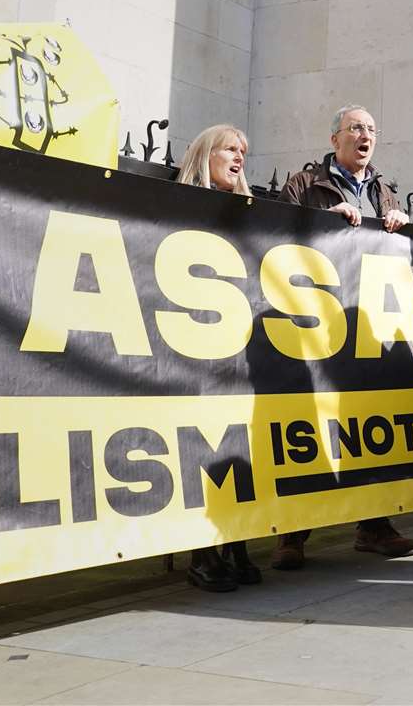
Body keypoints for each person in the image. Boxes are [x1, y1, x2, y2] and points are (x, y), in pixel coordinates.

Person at [272, 105, 413, 571]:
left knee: (370, 421)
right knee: (309, 423)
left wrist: (400, 224)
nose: (365, 135)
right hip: (314, 324)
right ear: (335, 138)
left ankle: (373, 525)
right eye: (356, 128)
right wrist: (324, 221)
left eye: (372, 129)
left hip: (368, 325)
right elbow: (274, 238)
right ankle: (292, 534)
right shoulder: (304, 185)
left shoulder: (384, 190)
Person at [174, 124, 265, 593]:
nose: (239, 158)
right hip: (191, 355)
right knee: (201, 448)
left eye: (244, 152)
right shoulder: (171, 208)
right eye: (231, 149)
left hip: (237, 354)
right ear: (205, 152)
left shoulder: (247, 214)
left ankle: (237, 544)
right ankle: (204, 552)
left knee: (238, 449)